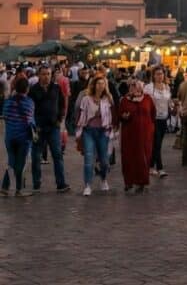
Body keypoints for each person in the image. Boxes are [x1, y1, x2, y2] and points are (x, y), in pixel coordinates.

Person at [28, 65, 69, 193]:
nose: (46, 76)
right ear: (39, 75)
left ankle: (61, 183)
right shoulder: (33, 90)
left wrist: (60, 119)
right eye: (44, 74)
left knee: (57, 155)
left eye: (48, 74)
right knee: (36, 157)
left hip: (53, 127)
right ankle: (36, 183)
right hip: (39, 128)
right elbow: (29, 109)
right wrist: (34, 125)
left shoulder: (56, 88)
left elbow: (62, 104)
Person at [75, 76, 115, 196]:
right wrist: (78, 131)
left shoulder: (108, 99)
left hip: (103, 131)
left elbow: (112, 114)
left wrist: (112, 129)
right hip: (89, 131)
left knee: (104, 159)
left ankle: (103, 179)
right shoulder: (86, 99)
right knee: (88, 158)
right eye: (98, 84)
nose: (101, 86)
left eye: (103, 84)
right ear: (94, 85)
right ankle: (87, 185)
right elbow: (81, 115)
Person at [118, 79, 156, 194]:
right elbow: (119, 115)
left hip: (145, 135)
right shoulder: (125, 100)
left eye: (136, 86)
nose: (134, 88)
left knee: (143, 157)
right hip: (129, 135)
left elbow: (153, 114)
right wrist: (124, 116)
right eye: (132, 86)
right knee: (129, 157)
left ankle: (142, 182)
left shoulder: (148, 99)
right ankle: (129, 182)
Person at [1, 77, 34, 197]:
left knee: (12, 162)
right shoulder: (29, 102)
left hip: (10, 137)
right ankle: (18, 189)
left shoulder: (8, 102)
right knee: (20, 163)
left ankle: (5, 187)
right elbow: (30, 120)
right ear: (27, 89)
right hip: (23, 138)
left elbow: (5, 116)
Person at [144, 67, 172, 178]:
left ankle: (151, 166)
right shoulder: (148, 88)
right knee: (156, 143)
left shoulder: (167, 87)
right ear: (153, 75)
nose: (160, 76)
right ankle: (158, 168)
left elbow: (168, 102)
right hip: (152, 118)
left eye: (161, 74)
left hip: (164, 118)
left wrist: (173, 106)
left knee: (158, 143)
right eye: (157, 74)